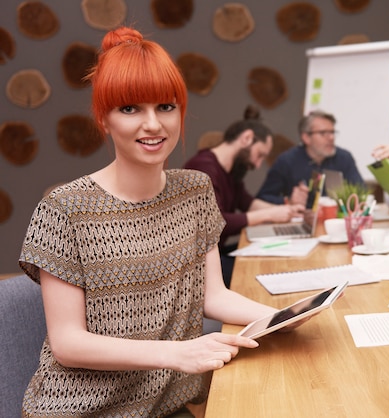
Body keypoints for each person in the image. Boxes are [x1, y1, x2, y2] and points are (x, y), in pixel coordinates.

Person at [17, 27, 302, 417]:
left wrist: (280, 318)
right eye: (130, 109)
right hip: (81, 410)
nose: (153, 124)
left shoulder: (195, 191)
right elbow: (68, 343)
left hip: (164, 405)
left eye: (165, 107)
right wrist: (179, 353)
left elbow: (212, 296)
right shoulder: (64, 209)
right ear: (104, 119)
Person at [183, 106, 303, 287]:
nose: (257, 164)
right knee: (263, 272)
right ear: (246, 138)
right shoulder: (203, 168)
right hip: (195, 266)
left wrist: (285, 209)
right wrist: (270, 215)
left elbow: (248, 203)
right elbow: (215, 223)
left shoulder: (231, 172)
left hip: (215, 254)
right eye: (259, 155)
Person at [256, 110, 365, 205]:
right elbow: (262, 198)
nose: (331, 137)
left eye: (332, 132)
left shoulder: (344, 158)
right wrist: (288, 200)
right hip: (299, 220)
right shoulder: (286, 161)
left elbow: (361, 192)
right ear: (306, 138)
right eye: (323, 133)